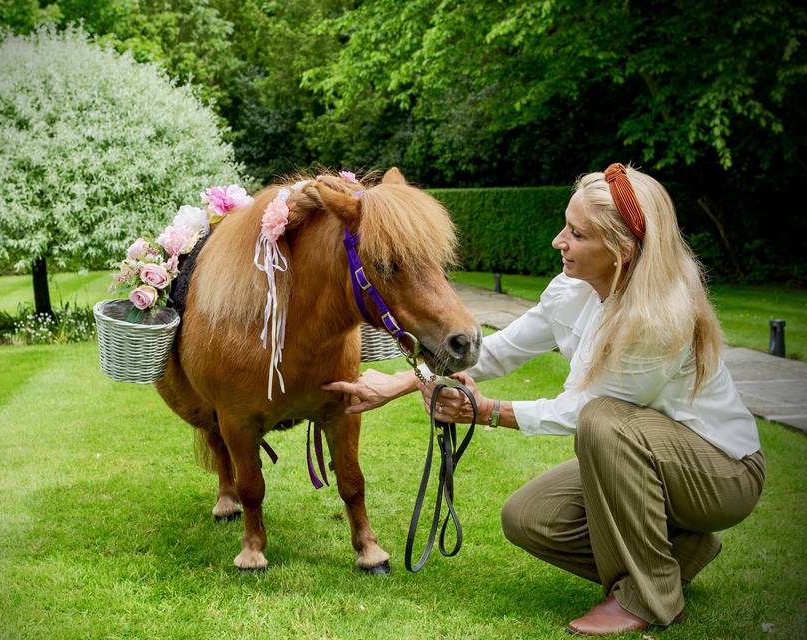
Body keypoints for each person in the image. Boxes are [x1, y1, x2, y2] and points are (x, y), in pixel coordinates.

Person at [322, 164, 765, 636]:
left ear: (621, 250)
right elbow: (497, 351)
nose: (558, 240)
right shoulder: (571, 289)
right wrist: (403, 382)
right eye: (565, 225)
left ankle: (647, 598)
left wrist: (488, 412)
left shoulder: (660, 318)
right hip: (646, 461)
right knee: (530, 519)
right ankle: (681, 552)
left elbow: (584, 412)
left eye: (576, 233)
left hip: (720, 473)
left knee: (602, 421)